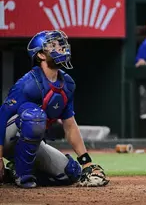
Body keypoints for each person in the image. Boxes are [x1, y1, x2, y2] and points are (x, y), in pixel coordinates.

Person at [0, 30, 109, 188]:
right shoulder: (28, 83)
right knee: (34, 117)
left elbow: (70, 125)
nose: (60, 48)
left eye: (60, 44)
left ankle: (13, 171)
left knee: (71, 173)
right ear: (41, 56)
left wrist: (86, 162)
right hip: (9, 137)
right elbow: (2, 117)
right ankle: (23, 177)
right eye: (53, 45)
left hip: (32, 141)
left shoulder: (67, 84)